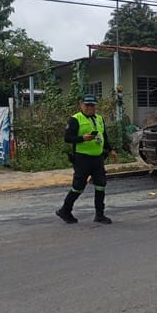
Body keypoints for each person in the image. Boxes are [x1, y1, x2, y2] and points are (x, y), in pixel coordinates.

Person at [56, 94, 115, 224]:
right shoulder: (75, 119)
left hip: (97, 159)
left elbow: (104, 135)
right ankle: (65, 210)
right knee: (78, 187)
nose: (90, 108)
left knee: (101, 185)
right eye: (87, 105)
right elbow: (68, 138)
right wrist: (83, 138)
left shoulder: (99, 119)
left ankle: (100, 215)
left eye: (92, 105)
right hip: (82, 159)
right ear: (81, 105)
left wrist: (111, 150)